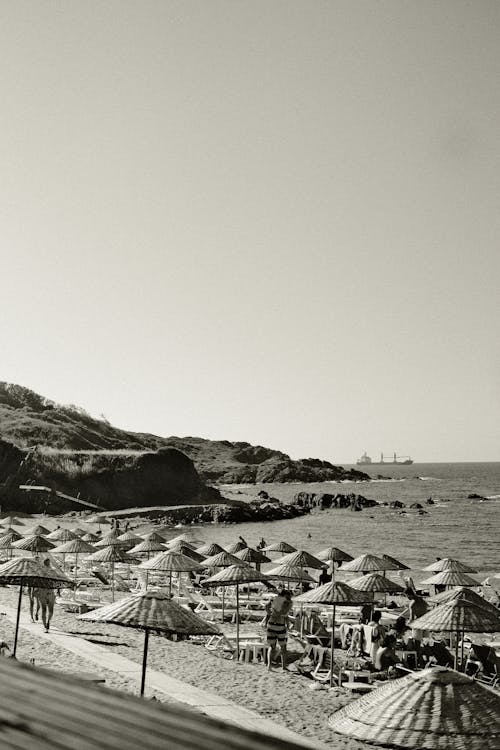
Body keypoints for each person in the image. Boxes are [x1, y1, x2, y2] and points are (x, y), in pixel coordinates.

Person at [266, 589, 293, 671]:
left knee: (272, 647)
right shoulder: (288, 603)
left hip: (271, 625)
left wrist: (271, 613)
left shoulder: (275, 599)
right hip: (280, 626)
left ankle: (269, 666)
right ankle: (284, 667)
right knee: (283, 647)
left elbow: (266, 607)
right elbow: (284, 613)